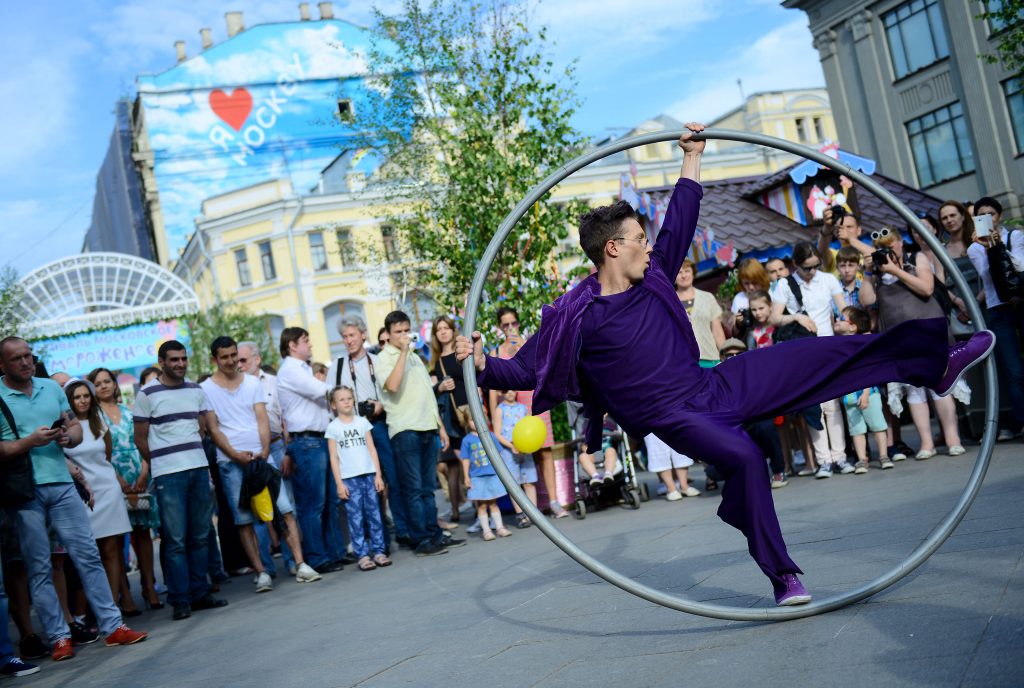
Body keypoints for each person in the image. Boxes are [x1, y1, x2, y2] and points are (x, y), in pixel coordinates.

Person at [456, 124, 995, 606]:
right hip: (674, 416)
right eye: (639, 241)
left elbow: (681, 221)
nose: (650, 248)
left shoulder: (658, 272)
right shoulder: (576, 313)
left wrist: (692, 155)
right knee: (744, 458)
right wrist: (479, 360)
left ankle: (935, 364)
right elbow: (525, 370)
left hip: (714, 382)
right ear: (613, 248)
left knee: (818, 352)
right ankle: (784, 575)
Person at [0, 337, 147, 658]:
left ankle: (113, 627)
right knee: (39, 567)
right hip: (23, 492)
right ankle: (58, 637)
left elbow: (76, 429)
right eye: (16, 359)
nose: (25, 362)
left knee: (87, 556)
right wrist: (30, 442)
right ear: (2, 365)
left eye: (29, 356)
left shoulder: (51, 388)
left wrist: (68, 436)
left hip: (63, 483)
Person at [200, 337, 322, 591]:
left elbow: (262, 418)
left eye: (234, 355)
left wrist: (264, 451)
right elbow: (213, 428)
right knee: (244, 520)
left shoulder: (253, 382)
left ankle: (301, 564)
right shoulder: (206, 389)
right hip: (230, 463)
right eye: (225, 357)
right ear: (214, 359)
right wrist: (234, 455)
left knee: (285, 510)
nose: (232, 361)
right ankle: (261, 572)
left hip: (262, 458)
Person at [134, 340, 229, 620]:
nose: (180, 364)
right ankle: (180, 598)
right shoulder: (147, 394)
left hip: (198, 469)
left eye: (183, 359)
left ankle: (200, 593)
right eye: (174, 360)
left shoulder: (195, 390)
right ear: (162, 362)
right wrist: (161, 463)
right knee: (175, 539)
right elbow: (140, 439)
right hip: (167, 474)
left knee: (200, 535)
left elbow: (201, 430)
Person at [859, 226, 967, 459]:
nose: (887, 250)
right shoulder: (877, 271)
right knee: (914, 391)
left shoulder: (915, 258)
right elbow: (867, 300)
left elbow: (927, 288)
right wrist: (868, 273)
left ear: (900, 243)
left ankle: (953, 439)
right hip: (899, 337)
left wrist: (896, 271)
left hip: (928, 330)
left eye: (891, 244)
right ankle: (926, 444)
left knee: (940, 385)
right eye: (881, 247)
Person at [377, 311, 464, 556]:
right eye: (398, 332)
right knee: (413, 488)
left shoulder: (416, 358)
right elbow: (392, 386)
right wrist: (403, 352)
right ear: (389, 334)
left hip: (427, 426)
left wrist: (441, 427)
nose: (404, 336)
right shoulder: (384, 359)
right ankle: (422, 539)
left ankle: (435, 534)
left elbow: (428, 394)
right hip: (405, 430)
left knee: (428, 487)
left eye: (407, 330)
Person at [328, 316, 411, 550]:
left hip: (379, 424)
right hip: (352, 432)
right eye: (344, 337)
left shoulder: (377, 360)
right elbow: (331, 399)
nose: (348, 341)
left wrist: (379, 405)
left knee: (392, 478)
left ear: (363, 335)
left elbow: (390, 393)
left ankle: (403, 530)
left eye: (352, 335)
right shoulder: (338, 366)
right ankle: (377, 540)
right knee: (363, 484)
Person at [773, 241, 852, 478]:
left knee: (833, 405)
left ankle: (840, 457)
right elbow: (775, 318)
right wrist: (796, 317)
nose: (813, 271)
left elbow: (844, 309)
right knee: (814, 406)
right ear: (795, 265)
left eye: (816, 265)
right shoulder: (785, 285)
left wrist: (844, 322)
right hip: (804, 350)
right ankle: (823, 460)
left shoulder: (828, 279)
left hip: (829, 347)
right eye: (807, 268)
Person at [88, 367, 163, 612]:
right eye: (98, 383)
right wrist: (117, 478)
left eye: (107, 381)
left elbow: (143, 440)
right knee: (116, 540)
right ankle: (125, 595)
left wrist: (144, 470)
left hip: (139, 474)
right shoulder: (93, 416)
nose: (104, 386)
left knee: (143, 535)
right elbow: (99, 452)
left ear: (115, 384)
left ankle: (149, 587)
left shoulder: (128, 410)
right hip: (110, 478)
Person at [276, 327, 346, 573]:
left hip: (319, 438)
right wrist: (344, 391)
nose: (310, 344)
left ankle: (334, 552)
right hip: (306, 442)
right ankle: (317, 557)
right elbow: (322, 391)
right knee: (313, 504)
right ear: (292, 345)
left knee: (329, 500)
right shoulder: (290, 370)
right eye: (305, 340)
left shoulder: (303, 368)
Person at [489, 307, 568, 519]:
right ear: (500, 327)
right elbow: (494, 388)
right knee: (518, 457)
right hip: (511, 410)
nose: (510, 328)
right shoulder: (497, 353)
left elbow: (544, 367)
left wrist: (522, 348)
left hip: (534, 402)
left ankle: (553, 501)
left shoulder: (529, 344)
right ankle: (527, 507)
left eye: (513, 323)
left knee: (545, 451)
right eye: (505, 325)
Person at [62, 381, 134, 613]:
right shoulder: (63, 428)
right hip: (80, 494)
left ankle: (113, 607)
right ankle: (92, 609)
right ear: (68, 400)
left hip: (107, 489)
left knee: (112, 550)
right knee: (88, 554)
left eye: (86, 396)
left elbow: (107, 457)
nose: (83, 400)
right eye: (76, 397)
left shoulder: (99, 423)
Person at [966, 197, 1024, 440]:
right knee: (1014, 370)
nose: (988, 219)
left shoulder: (1016, 236)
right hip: (999, 310)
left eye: (992, 214)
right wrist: (989, 247)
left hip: (1021, 304)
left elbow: (1021, 266)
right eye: (982, 215)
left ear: (999, 216)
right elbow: (987, 275)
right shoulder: (974, 248)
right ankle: (1022, 422)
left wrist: (1001, 246)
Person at [326, 386, 391, 571]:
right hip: (349, 479)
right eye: (341, 399)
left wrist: (378, 475)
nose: (346, 402)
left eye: (349, 398)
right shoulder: (333, 428)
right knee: (355, 518)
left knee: (375, 515)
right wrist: (339, 483)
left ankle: (379, 551)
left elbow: (372, 449)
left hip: (369, 476)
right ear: (333, 405)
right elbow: (333, 457)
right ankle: (362, 554)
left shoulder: (362, 422)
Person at [837, 307, 893, 472]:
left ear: (853, 327)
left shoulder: (862, 345)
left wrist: (866, 393)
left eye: (841, 318)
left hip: (869, 393)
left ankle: (883, 455)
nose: (836, 321)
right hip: (850, 395)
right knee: (856, 430)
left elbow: (869, 371)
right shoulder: (840, 344)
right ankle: (862, 459)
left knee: (877, 425)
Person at [429, 314, 468, 527]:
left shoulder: (461, 352)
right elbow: (431, 391)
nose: (443, 331)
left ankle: (485, 504)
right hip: (451, 418)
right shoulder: (436, 362)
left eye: (446, 327)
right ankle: (454, 509)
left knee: (473, 461)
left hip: (468, 412)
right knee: (453, 466)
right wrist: (440, 387)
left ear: (453, 330)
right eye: (439, 329)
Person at [492, 389, 538, 528]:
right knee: (514, 484)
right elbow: (497, 433)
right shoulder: (500, 410)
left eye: (512, 389)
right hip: (509, 451)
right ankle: (520, 514)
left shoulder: (523, 408)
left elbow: (530, 427)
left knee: (529, 481)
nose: (510, 392)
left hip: (525, 450)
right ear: (500, 393)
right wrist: (511, 446)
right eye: (505, 390)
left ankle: (534, 513)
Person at [460, 416, 510, 541]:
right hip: (477, 477)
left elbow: (498, 454)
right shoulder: (467, 440)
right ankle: (486, 531)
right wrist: (466, 476)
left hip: (492, 474)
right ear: (467, 422)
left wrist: (502, 471)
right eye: (472, 419)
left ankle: (500, 528)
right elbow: (465, 459)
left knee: (494, 503)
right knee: (481, 505)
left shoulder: (490, 436)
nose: (475, 421)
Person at [676, 259, 725, 366]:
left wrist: (726, 354)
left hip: (711, 358)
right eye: (679, 272)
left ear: (693, 272)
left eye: (687, 271)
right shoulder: (670, 301)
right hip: (684, 362)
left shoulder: (708, 297)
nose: (684, 276)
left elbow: (717, 332)